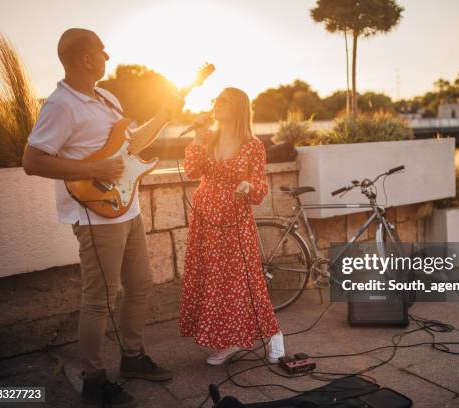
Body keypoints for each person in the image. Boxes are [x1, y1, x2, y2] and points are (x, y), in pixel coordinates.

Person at [22, 28, 184, 408]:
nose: (108, 57)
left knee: (140, 286)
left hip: (127, 208)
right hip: (96, 217)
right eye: (102, 51)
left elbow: (130, 145)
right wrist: (97, 166)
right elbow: (32, 160)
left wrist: (162, 116)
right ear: (85, 59)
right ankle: (93, 380)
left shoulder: (106, 98)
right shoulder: (61, 105)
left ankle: (132, 358)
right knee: (100, 300)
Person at [178, 87, 285, 365]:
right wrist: (198, 134)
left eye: (222, 101)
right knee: (213, 280)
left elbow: (261, 185)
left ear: (237, 107)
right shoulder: (210, 138)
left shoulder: (253, 145)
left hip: (234, 220)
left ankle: (274, 334)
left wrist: (248, 186)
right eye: (215, 99)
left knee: (244, 281)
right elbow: (192, 170)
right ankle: (228, 340)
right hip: (205, 218)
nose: (216, 104)